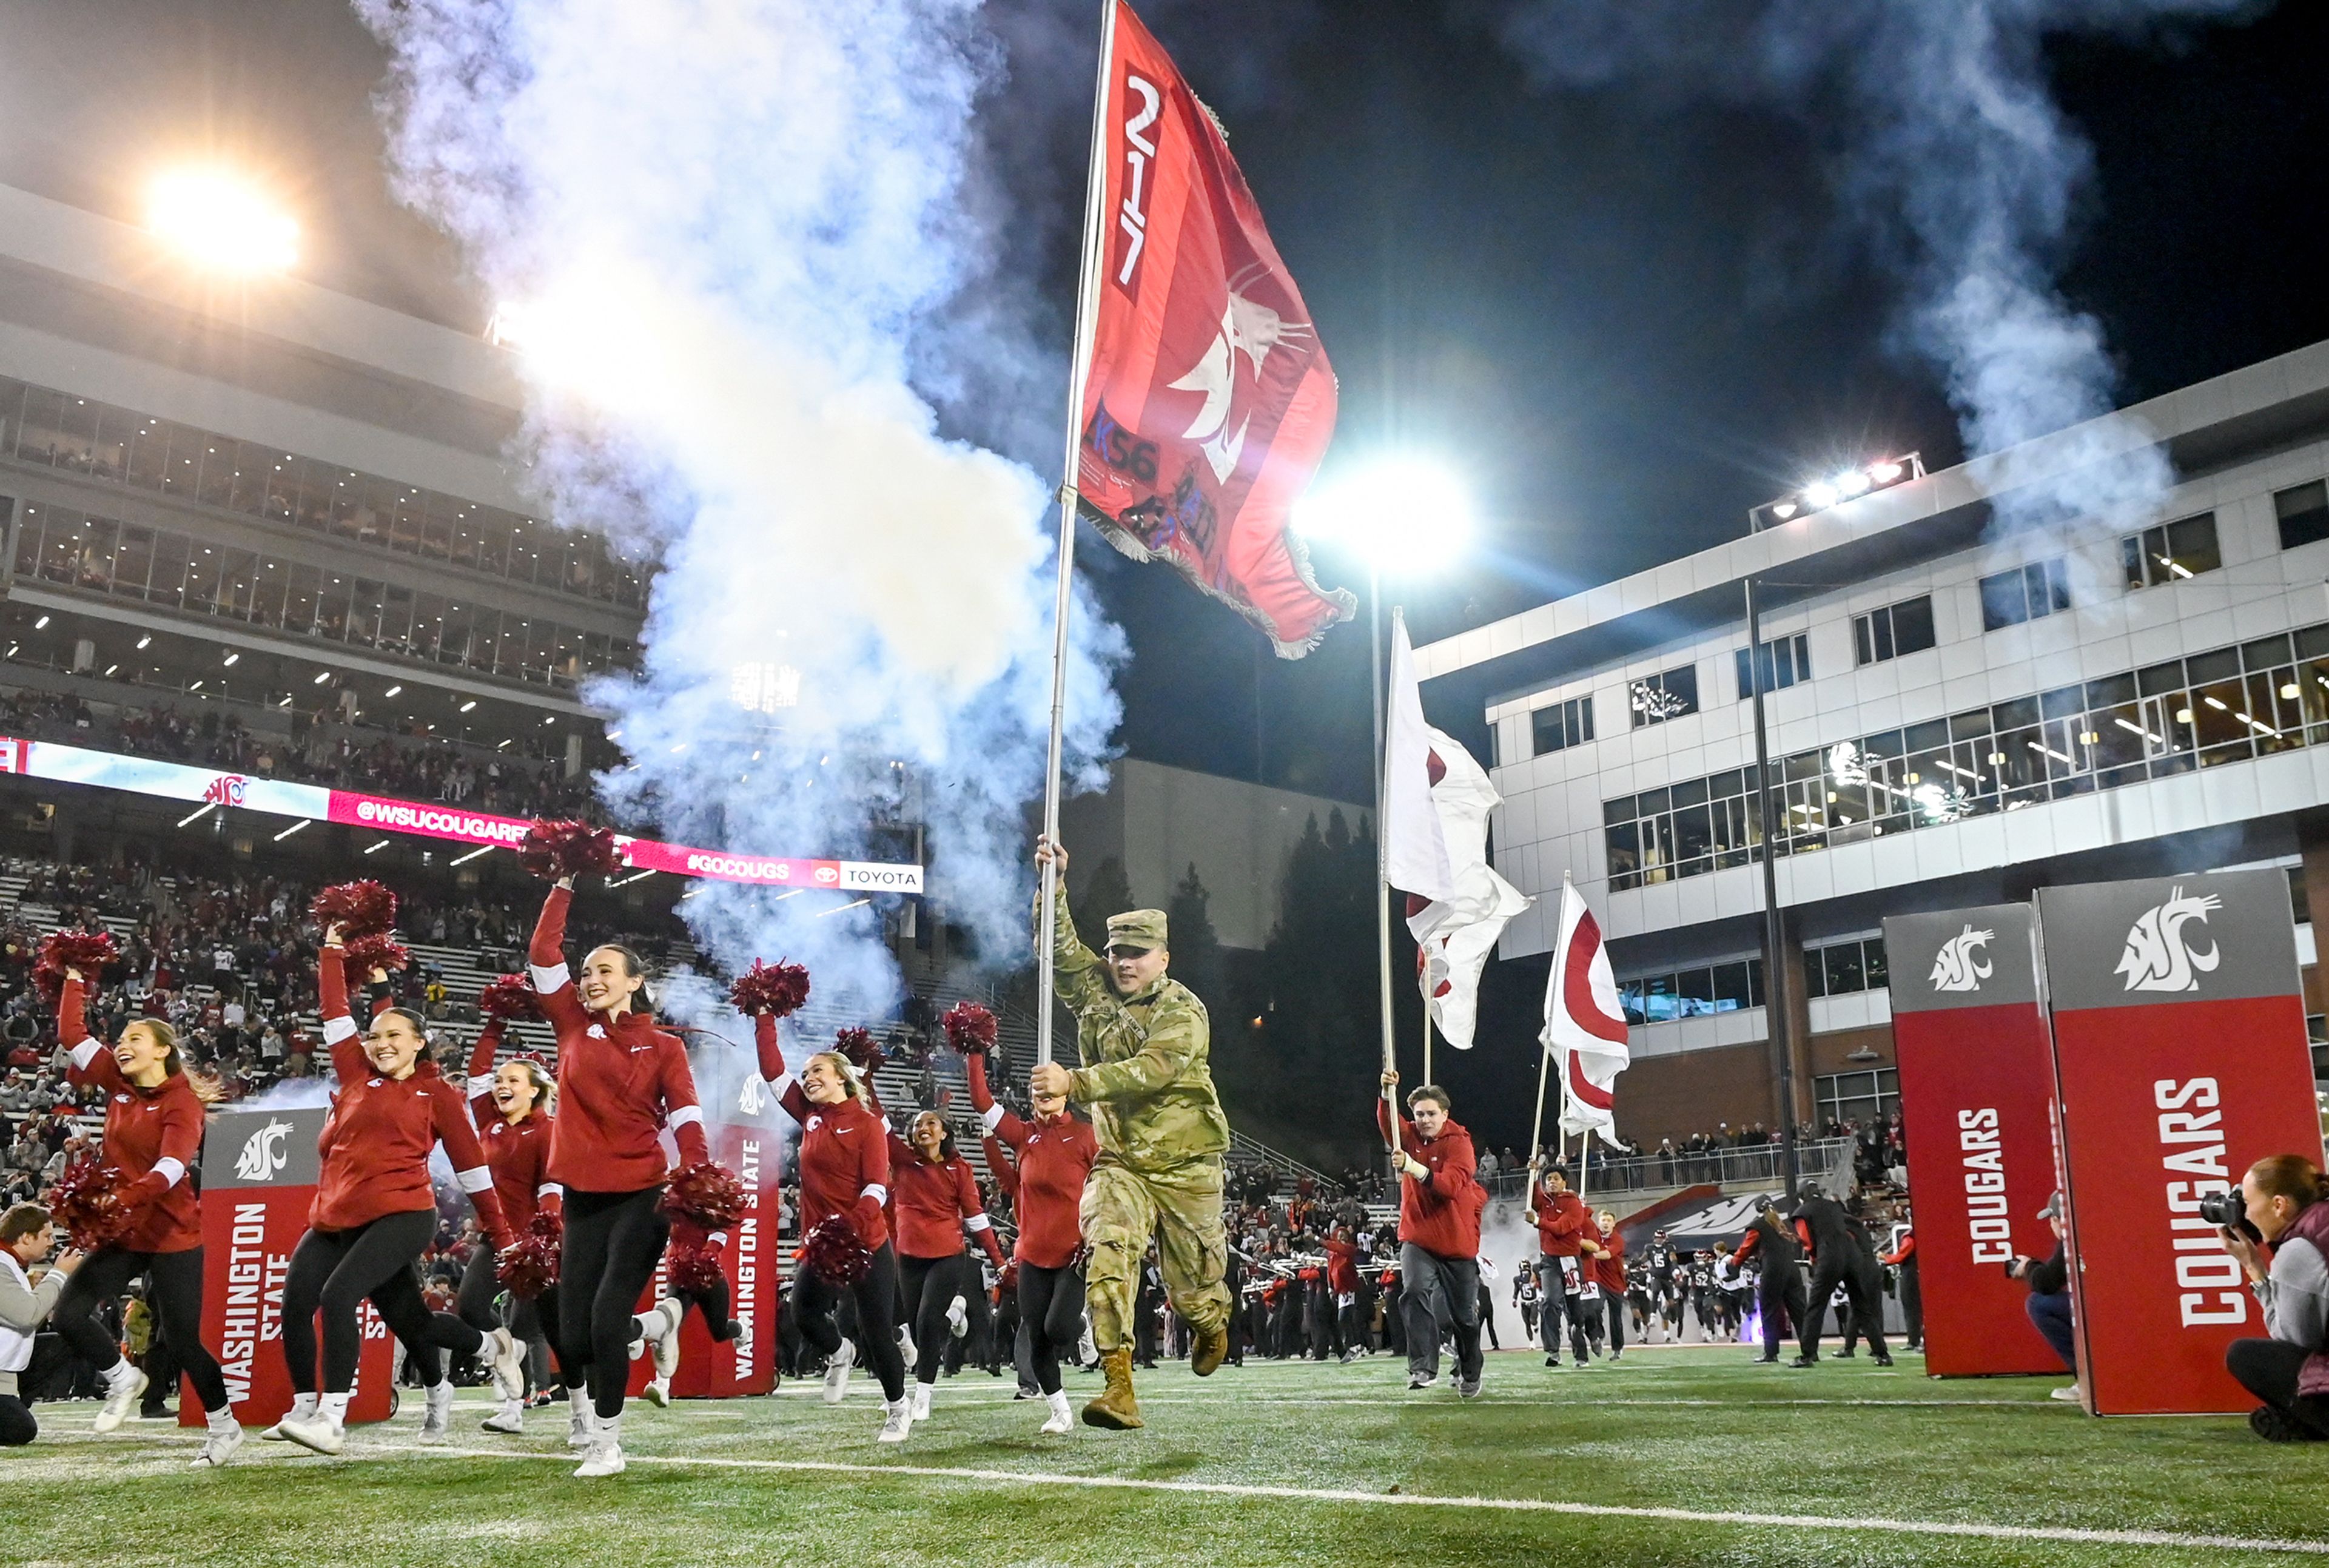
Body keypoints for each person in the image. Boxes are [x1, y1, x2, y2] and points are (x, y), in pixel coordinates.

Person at [274, 927, 523, 1456]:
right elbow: (334, 1012)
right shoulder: (355, 1073)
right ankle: (491, 1345)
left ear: (419, 1041)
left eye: (394, 1035)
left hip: (403, 1214)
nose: (381, 1042)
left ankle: (331, 1418)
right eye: (375, 1035)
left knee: (337, 1295)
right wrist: (331, 950)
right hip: (337, 1217)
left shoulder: (438, 1093)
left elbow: (473, 1169)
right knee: (325, 1307)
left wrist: (501, 1234)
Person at [1027, 838, 1233, 1431]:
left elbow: (1151, 1070)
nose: (1123, 961)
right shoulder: (1096, 988)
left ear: (1163, 957)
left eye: (1138, 953)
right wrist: (1055, 883)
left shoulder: (1183, 1010)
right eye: (1117, 950)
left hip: (1186, 1160)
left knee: (1193, 1285)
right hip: (1121, 1161)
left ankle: (1210, 1319)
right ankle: (1119, 1386)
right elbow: (1057, 952)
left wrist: (1075, 1081)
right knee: (1108, 1250)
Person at [529, 877, 708, 1476]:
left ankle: (607, 1441)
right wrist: (562, 885)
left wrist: (696, 1169)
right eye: (587, 970)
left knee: (606, 1316)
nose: (591, 977)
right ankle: (654, 1326)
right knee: (575, 1335)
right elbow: (542, 953)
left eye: (605, 969)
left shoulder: (662, 1046)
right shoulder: (572, 1025)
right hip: (583, 1198)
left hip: (642, 1195)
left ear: (635, 981)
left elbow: (686, 1114)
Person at [48, 967, 241, 1464]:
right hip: (126, 1230)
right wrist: (74, 975)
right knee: (68, 1311)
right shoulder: (116, 1076)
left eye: (136, 1037)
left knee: (182, 1341)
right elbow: (72, 1034)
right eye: (122, 1038)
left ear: (162, 1050)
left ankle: (224, 1426)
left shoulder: (182, 1103)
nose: (123, 1044)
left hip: (173, 1235)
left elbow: (172, 1167)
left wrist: (126, 1196)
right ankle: (123, 1377)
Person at [750, 1007, 910, 1440]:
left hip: (866, 1241)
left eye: (817, 1070)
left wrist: (849, 1227)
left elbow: (878, 1187)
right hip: (821, 1244)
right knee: (804, 1313)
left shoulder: (868, 1124)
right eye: (806, 1073)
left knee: (878, 1329)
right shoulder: (809, 1115)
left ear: (842, 1077)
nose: (808, 1077)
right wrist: (765, 1014)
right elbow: (771, 1070)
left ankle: (898, 1407)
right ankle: (841, 1351)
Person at [456, 1018, 575, 1441]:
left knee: (539, 1329)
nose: (501, 1085)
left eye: (512, 1080)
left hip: (535, 1244)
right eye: (500, 1080)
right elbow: (475, 1074)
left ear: (534, 1089)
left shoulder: (546, 1130)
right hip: (496, 1240)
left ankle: (573, 1413)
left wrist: (542, 1239)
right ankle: (504, 1363)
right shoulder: (491, 1120)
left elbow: (551, 1186)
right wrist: (494, 1024)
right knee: (472, 1307)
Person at [969, 1043, 1098, 1432]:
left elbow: (1109, 1185)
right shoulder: (1025, 1136)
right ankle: (1060, 1410)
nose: (1042, 1097)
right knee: (1036, 1335)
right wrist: (974, 1051)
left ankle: (1081, 1328)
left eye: (1051, 1091)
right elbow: (982, 1102)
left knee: (1059, 1328)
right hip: (1032, 1255)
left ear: (1066, 1094)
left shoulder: (1087, 1136)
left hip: (1074, 1252)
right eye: (1036, 1091)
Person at [879, 1102, 1007, 1426]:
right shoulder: (901, 1159)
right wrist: (865, 1076)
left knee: (925, 1322)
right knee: (920, 1327)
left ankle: (923, 1395)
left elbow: (977, 1218)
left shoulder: (960, 1168)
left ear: (944, 1133)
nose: (923, 1127)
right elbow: (878, 1120)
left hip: (948, 1255)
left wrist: (999, 1261)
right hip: (908, 1257)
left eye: (931, 1123)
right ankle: (955, 1314)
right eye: (917, 1124)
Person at [1376, 1070, 1487, 1396]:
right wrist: (1386, 1093)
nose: (1424, 1120)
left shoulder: (1460, 1144)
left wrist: (1411, 1167)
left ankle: (1470, 1371)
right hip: (1418, 1238)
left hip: (1456, 1244)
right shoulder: (1408, 1136)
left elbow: (1451, 1186)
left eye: (1430, 1114)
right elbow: (1388, 1123)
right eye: (1419, 1114)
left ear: (1445, 1114)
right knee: (1412, 1292)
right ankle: (1423, 1366)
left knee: (1464, 1318)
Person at [2220, 1154, 2329, 1441]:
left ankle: (2305, 1421)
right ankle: (2298, 1420)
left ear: (2279, 1205)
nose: (2245, 1215)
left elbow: (2293, 1342)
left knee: (2245, 1355)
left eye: (2247, 1203)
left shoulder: (2298, 1251)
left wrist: (2255, 1269)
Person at [0, 1203, 78, 1446]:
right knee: (21, 1430)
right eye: (46, 1235)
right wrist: (59, 1274)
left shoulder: (10, 1263)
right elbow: (27, 1314)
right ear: (25, 1237)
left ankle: (17, 1402)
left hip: (6, 1371)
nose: (52, 1242)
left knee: (64, 1339)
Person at [1791, 1186, 1891, 1367]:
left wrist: (1815, 1259)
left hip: (1830, 1255)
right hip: (1853, 1256)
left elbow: (1807, 1241)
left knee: (1815, 1306)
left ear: (1802, 1197)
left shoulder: (1802, 1212)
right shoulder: (1834, 1206)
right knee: (1862, 1307)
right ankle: (1883, 1354)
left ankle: (1808, 1355)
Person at [1526, 1162, 1602, 1366]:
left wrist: (1537, 1222)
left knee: (1575, 1311)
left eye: (1556, 1179)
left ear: (1564, 1182)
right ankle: (1553, 1351)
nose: (1551, 1182)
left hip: (1570, 1262)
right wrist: (1534, 1175)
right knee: (1549, 1301)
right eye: (1548, 1179)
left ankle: (1581, 1353)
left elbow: (1560, 1228)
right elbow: (1533, 1200)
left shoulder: (1574, 1204)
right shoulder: (1546, 1202)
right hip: (1549, 1261)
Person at [2006, 1191, 2075, 1396]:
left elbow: (2046, 1283)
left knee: (2039, 1304)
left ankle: (2086, 1377)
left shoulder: (2071, 1241)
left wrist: (2028, 1267)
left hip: (2105, 1315)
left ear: (2058, 1220)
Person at [1732, 1200, 1807, 1364]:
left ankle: (1771, 1353)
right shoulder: (1782, 1225)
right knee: (1799, 1312)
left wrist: (1734, 1265)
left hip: (1773, 1269)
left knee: (1769, 1311)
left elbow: (1746, 1248)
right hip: (1792, 1270)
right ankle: (1809, 1351)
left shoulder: (1758, 1226)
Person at [1880, 1211, 1921, 1351]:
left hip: (1910, 1275)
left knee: (1911, 1309)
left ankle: (1913, 1341)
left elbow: (1900, 1256)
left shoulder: (1911, 1237)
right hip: (1920, 1274)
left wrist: (1885, 1257)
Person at [1591, 1211, 1628, 1361]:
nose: (1606, 1223)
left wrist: (1586, 1255)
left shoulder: (1617, 1240)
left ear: (1614, 1223)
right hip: (1598, 1280)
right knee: (1595, 1307)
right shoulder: (1594, 1236)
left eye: (1608, 1220)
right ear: (1599, 1223)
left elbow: (1606, 1255)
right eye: (1603, 1220)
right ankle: (1599, 1336)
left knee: (1615, 1317)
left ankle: (1618, 1349)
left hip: (1615, 1283)